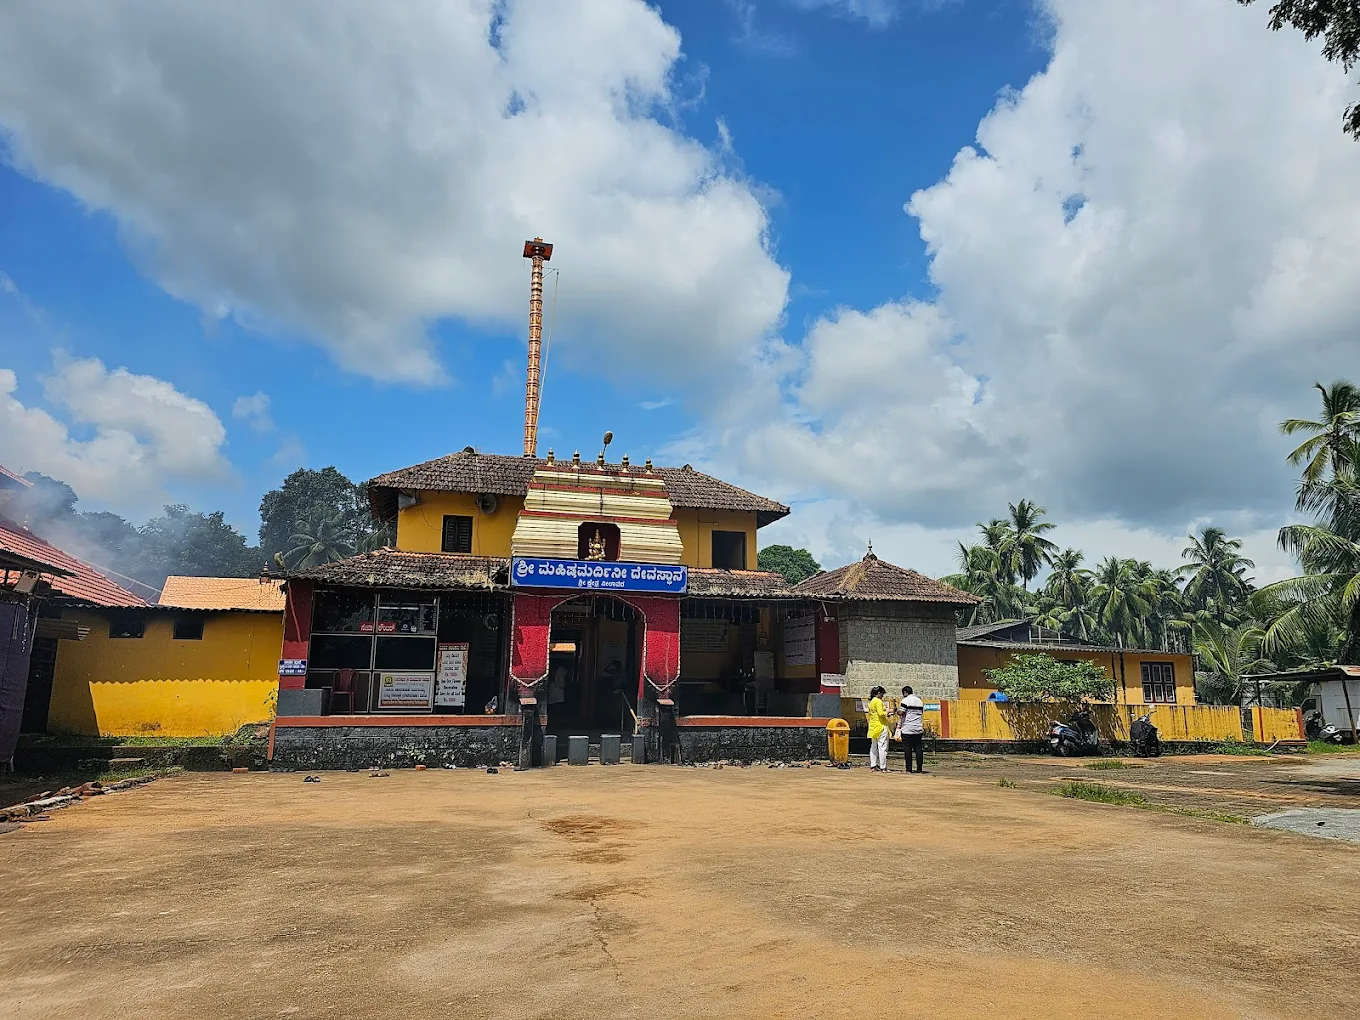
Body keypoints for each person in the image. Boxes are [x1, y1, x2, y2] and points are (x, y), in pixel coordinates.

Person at [897, 685, 925, 773]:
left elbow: (901, 712)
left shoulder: (905, 700)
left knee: (908, 749)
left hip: (907, 728)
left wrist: (897, 711)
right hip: (918, 728)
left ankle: (909, 769)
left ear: (905, 692)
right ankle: (919, 769)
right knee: (918, 749)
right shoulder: (920, 701)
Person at [866, 686, 891, 772]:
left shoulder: (871, 702)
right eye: (882, 694)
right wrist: (888, 711)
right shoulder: (878, 701)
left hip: (873, 726)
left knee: (873, 746)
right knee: (882, 747)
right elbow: (881, 713)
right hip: (881, 726)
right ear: (879, 693)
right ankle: (883, 767)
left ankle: (873, 765)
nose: (882, 696)